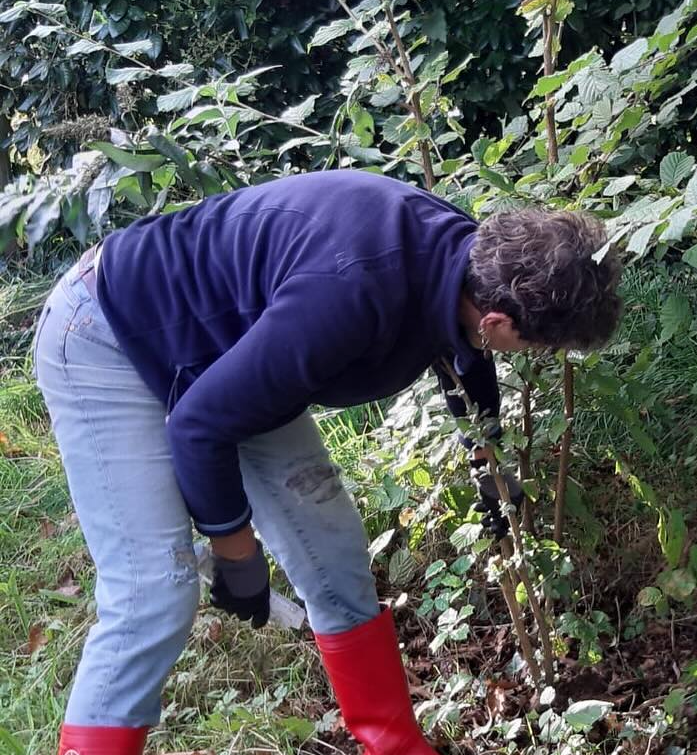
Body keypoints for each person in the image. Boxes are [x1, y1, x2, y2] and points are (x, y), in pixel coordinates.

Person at [31, 169, 622, 755]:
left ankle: (393, 744)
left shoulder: (469, 261)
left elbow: (462, 352)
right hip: (107, 330)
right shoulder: (350, 294)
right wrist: (236, 553)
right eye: (540, 343)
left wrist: (487, 465)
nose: (537, 353)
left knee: (335, 557)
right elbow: (199, 425)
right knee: (154, 592)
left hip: (237, 350)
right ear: (499, 320)